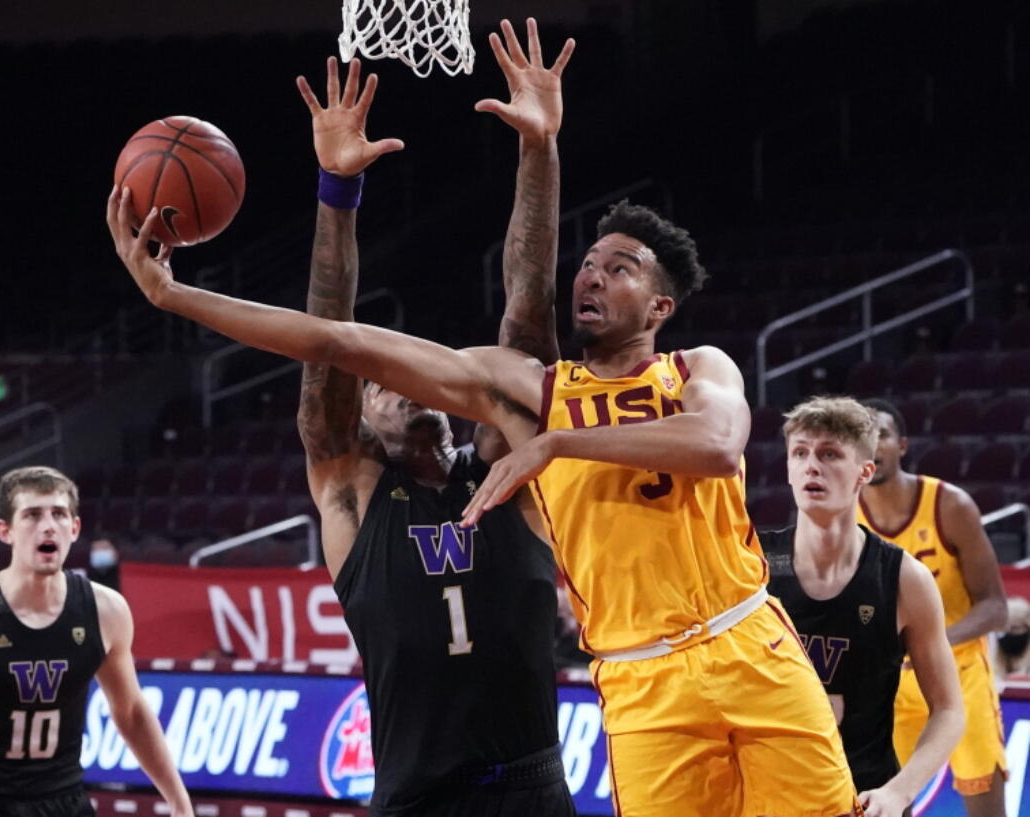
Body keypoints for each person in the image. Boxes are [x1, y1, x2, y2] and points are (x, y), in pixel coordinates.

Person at [110, 22, 859, 814]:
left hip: (732, 646)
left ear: (662, 303)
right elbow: (335, 340)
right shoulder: (478, 419)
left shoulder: (676, 375)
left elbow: (706, 437)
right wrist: (174, 296)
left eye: (619, 267)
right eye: (591, 262)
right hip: (617, 687)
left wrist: (541, 148)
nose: (593, 275)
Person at [293, 23, 575, 814]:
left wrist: (540, 149)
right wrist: (337, 194)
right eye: (383, 380)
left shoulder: (511, 477)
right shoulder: (350, 488)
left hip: (530, 789)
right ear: (363, 410)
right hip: (414, 796)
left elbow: (529, 317)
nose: (410, 382)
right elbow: (326, 335)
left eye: (427, 372)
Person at [0, 466, 194, 817]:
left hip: (64, 801)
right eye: (32, 515)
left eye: (59, 514)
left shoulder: (106, 611)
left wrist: (181, 805)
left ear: (74, 529)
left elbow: (132, 713)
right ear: (5, 531)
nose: (48, 525)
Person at [765, 396, 964, 817]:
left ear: (865, 472)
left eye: (830, 454)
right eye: (800, 453)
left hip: (863, 798)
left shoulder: (904, 578)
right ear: (787, 468)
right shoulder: (752, 564)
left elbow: (948, 710)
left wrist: (899, 792)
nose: (811, 466)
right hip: (769, 794)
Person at [860, 398, 1009, 816]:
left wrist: (930, 644)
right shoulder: (841, 517)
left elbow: (995, 607)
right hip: (886, 684)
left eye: (881, 434)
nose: (871, 443)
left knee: (984, 804)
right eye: (861, 435)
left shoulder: (951, 505)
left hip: (959, 675)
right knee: (884, 803)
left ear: (902, 445)